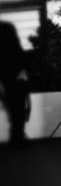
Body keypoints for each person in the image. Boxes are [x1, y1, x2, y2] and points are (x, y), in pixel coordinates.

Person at [0, 20, 29, 148]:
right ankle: (17, 137)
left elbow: (17, 50)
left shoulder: (7, 28)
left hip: (13, 75)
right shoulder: (7, 28)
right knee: (16, 109)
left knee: (17, 109)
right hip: (9, 75)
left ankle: (17, 137)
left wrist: (22, 70)